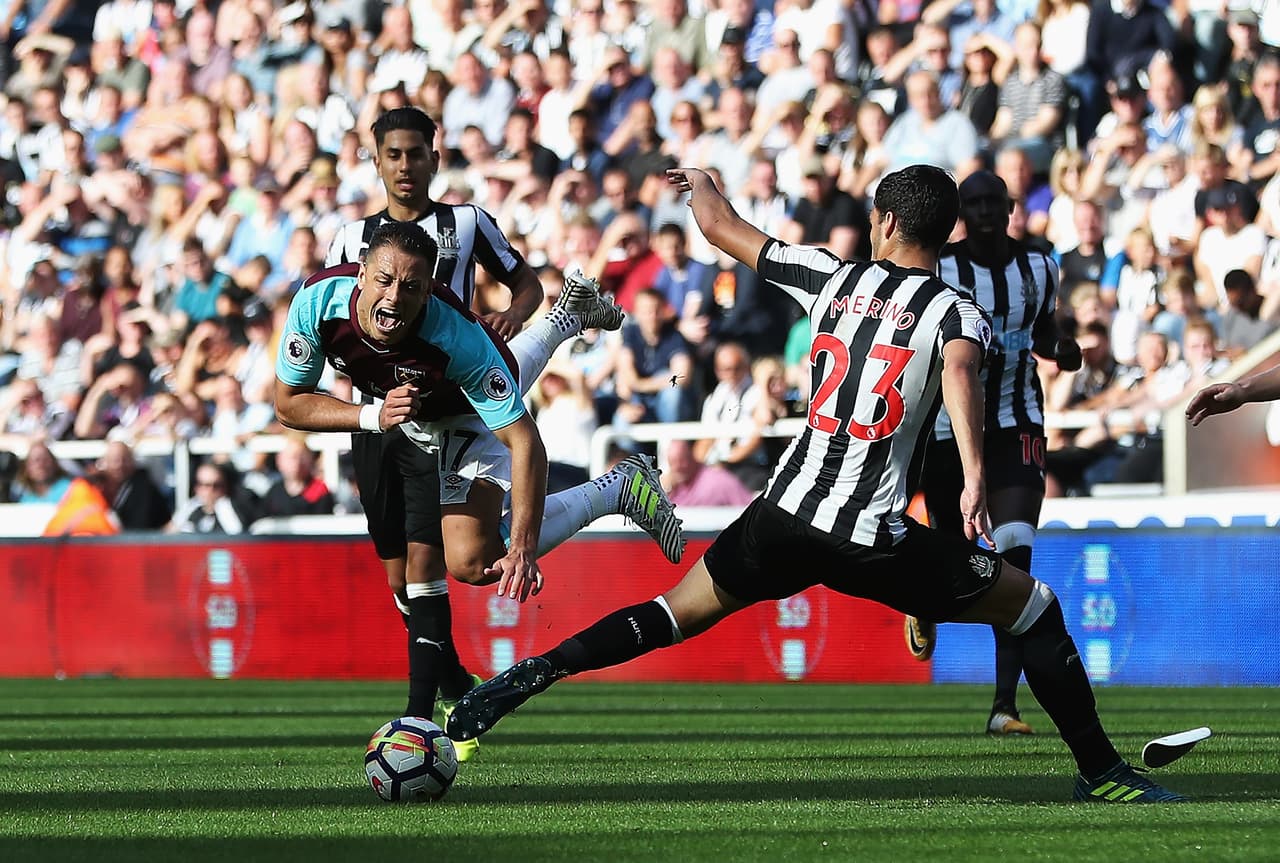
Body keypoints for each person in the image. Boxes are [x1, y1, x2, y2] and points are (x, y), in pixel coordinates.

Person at [446, 164, 1188, 804]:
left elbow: (721, 226)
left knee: (671, 613)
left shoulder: (831, 276)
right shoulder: (958, 311)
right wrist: (970, 476)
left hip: (782, 514)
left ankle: (533, 672)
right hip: (871, 536)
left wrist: (703, 186)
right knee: (1035, 607)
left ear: (887, 222)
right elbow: (961, 373)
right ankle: (1102, 770)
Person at [275, 221, 686, 749]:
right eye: (382, 280)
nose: (394, 297)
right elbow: (288, 404)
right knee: (506, 374)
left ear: (429, 290)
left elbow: (525, 443)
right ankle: (569, 315)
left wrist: (523, 547)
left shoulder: (454, 338)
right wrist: (371, 415)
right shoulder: (316, 303)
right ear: (359, 273)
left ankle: (615, 489)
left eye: (412, 287)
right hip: (405, 416)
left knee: (468, 563)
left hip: (464, 417)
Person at [322, 106, 559, 762]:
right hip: (377, 414)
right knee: (400, 580)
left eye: (415, 153)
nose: (404, 166)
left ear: (434, 155)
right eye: (392, 154)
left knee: (435, 564)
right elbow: (340, 322)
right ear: (375, 161)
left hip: (451, 406)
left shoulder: (467, 222)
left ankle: (420, 720)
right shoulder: (350, 237)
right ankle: (458, 684)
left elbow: (526, 281)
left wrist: (511, 316)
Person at [905, 170, 1082, 737]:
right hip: (947, 428)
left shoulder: (1039, 267)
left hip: (1017, 419)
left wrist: (1061, 349)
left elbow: (1044, 330)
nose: (983, 211)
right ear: (960, 211)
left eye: (992, 202)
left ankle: (1004, 705)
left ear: (1009, 209)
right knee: (951, 555)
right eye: (972, 202)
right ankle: (922, 600)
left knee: (1015, 557)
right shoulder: (942, 266)